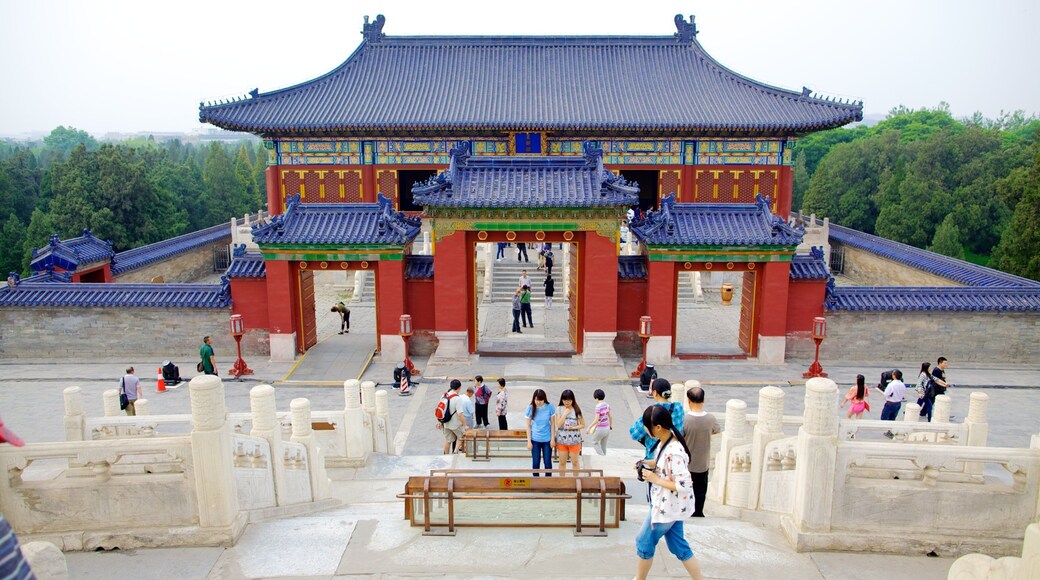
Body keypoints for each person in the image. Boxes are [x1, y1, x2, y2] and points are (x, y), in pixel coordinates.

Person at [633, 405, 705, 580]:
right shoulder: (667, 442)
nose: (646, 430)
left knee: (643, 542)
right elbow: (660, 463)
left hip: (666, 508)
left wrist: (654, 478)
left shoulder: (674, 451)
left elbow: (685, 484)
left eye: (647, 427)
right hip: (672, 507)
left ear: (657, 427)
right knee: (679, 547)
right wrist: (645, 463)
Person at [682, 387, 720, 518]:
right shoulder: (710, 418)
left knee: (687, 489)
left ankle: (687, 512)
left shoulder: (685, 420)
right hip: (703, 463)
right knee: (701, 490)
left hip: (687, 463)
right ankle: (698, 512)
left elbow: (680, 435)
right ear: (703, 400)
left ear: (689, 401)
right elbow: (716, 430)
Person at [630, 379, 685, 460]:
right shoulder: (678, 407)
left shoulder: (652, 413)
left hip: (655, 457)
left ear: (655, 393)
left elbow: (634, 434)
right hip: (674, 452)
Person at [525, 389, 557, 476]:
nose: (538, 402)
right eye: (536, 400)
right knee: (536, 462)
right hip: (535, 439)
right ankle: (536, 482)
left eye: (540, 400)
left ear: (544, 399)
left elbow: (553, 424)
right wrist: (529, 441)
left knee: (547, 462)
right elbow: (528, 426)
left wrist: (552, 439)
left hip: (547, 439)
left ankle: (548, 481)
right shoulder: (530, 408)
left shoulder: (550, 407)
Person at [555, 390, 585, 474]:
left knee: (575, 462)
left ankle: (575, 481)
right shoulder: (559, 409)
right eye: (565, 400)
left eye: (569, 400)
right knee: (562, 462)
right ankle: (562, 482)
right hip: (562, 441)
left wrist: (573, 427)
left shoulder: (576, 409)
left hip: (574, 441)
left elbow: (583, 424)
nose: (566, 402)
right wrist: (565, 414)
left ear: (572, 400)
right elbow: (558, 424)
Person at [439, 379, 466, 454]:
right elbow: (459, 414)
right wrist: (464, 425)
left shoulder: (444, 395)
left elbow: (441, 409)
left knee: (448, 440)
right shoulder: (458, 398)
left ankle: (446, 455)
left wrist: (440, 422)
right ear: (459, 387)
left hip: (446, 423)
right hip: (455, 424)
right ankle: (455, 452)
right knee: (462, 436)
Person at [925, 356, 953, 422]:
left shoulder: (941, 370)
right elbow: (937, 381)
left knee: (932, 401)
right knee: (934, 401)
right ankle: (927, 413)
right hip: (935, 389)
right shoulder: (936, 370)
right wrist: (944, 384)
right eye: (945, 363)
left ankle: (924, 412)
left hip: (939, 389)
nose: (946, 365)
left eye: (946, 363)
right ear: (940, 363)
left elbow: (942, 378)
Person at [587, 388, 612, 456]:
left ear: (597, 398)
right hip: (607, 428)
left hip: (601, 428)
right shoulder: (607, 405)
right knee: (603, 444)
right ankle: (604, 457)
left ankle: (602, 456)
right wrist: (611, 426)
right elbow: (611, 417)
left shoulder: (598, 407)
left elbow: (596, 419)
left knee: (594, 441)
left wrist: (589, 427)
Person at [880, 369, 906, 437]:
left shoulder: (891, 384)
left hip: (890, 403)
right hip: (898, 403)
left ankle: (889, 430)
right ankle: (891, 431)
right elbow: (903, 395)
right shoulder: (902, 384)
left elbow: (886, 394)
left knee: (884, 418)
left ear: (894, 376)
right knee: (893, 418)